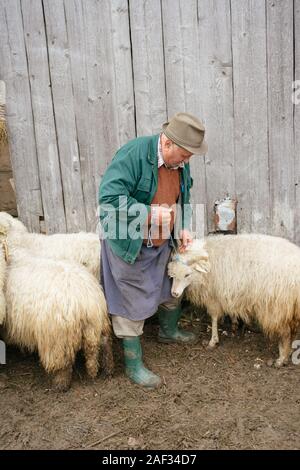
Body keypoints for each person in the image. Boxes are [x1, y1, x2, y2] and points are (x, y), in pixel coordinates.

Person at [98, 112, 208, 388]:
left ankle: (168, 331)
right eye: (184, 156)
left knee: (171, 283)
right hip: (130, 241)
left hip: (162, 240)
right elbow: (108, 200)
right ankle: (133, 365)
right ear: (167, 143)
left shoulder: (180, 162)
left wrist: (182, 225)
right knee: (130, 299)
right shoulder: (133, 154)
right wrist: (147, 213)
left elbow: (183, 196)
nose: (186, 162)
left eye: (189, 157)